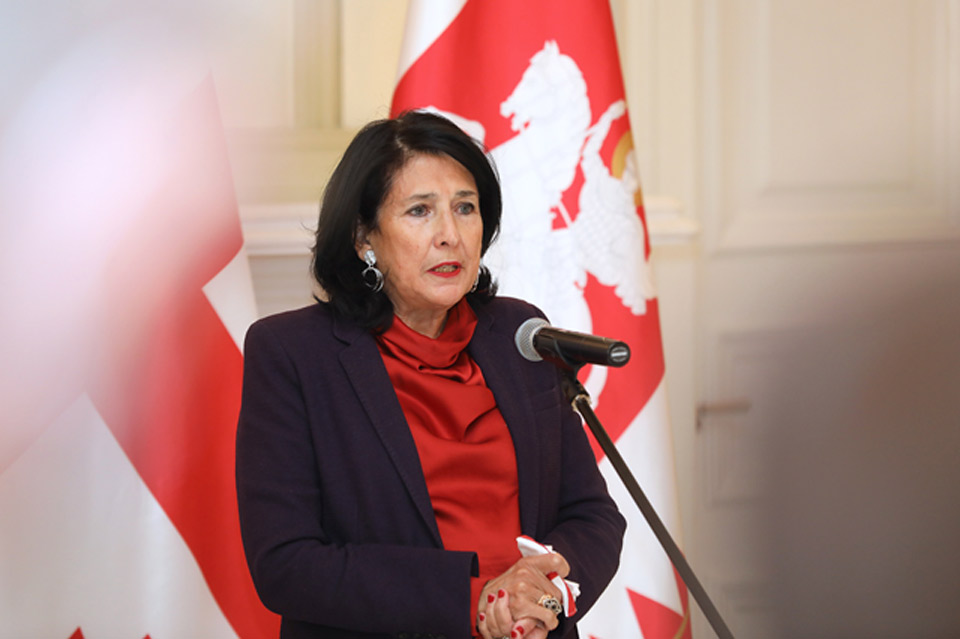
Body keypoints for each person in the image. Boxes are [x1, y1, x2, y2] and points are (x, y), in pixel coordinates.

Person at [235, 110, 625, 639]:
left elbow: (591, 514)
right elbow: (287, 564)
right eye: (420, 211)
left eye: (465, 208)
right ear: (363, 236)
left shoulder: (519, 335)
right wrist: (473, 600)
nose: (450, 235)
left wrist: (544, 597)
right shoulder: (293, 354)